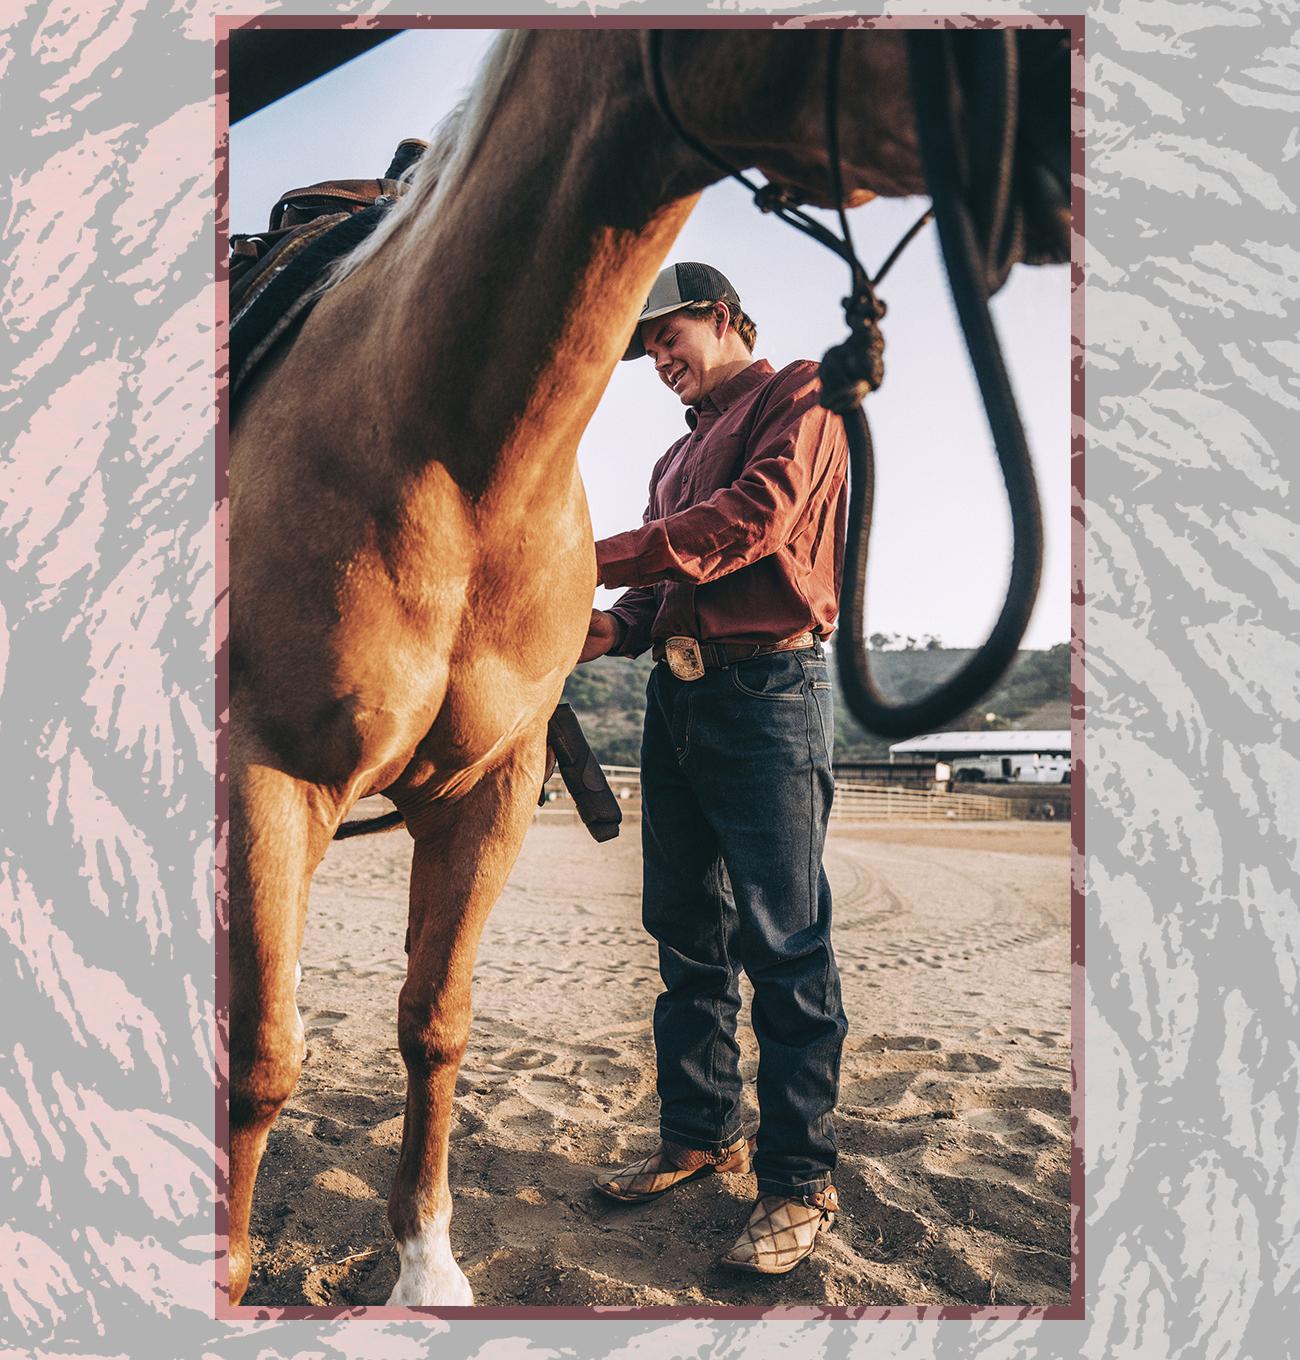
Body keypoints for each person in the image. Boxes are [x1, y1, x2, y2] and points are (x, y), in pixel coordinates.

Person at [581, 262, 850, 1275]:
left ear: (728, 316)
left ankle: (797, 1182)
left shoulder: (802, 397)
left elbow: (754, 519)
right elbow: (651, 607)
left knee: (784, 942)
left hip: (769, 694)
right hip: (680, 699)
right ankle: (701, 1134)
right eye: (644, 347)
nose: (655, 357)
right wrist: (578, 624)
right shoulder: (667, 462)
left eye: (668, 334)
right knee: (685, 929)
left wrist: (584, 555)